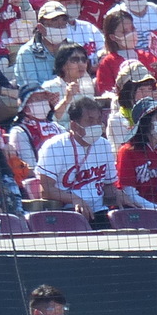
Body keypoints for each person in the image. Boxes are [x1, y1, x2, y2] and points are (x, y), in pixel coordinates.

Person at [36, 94, 117, 222]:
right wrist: (75, 199)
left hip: (100, 211)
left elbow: (109, 185)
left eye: (98, 120)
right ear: (74, 126)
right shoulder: (55, 147)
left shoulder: (104, 144)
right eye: (90, 121)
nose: (96, 125)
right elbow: (46, 190)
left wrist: (123, 196)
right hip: (67, 213)